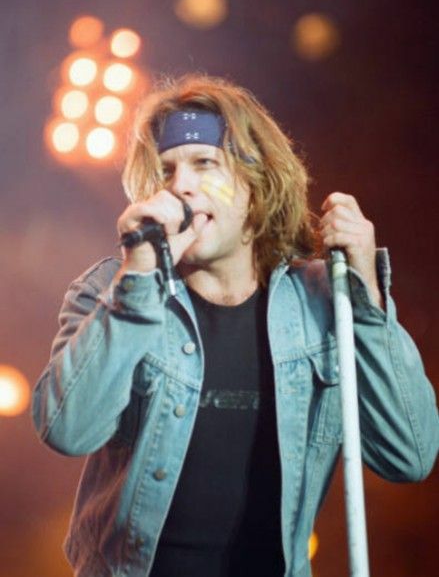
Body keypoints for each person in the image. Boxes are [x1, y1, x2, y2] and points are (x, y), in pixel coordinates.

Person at [32, 74, 438, 577]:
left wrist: (366, 294)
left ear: (256, 183)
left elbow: (409, 453)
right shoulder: (111, 290)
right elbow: (67, 430)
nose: (180, 185)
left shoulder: (321, 303)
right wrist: (137, 282)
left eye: (204, 163)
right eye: (167, 171)